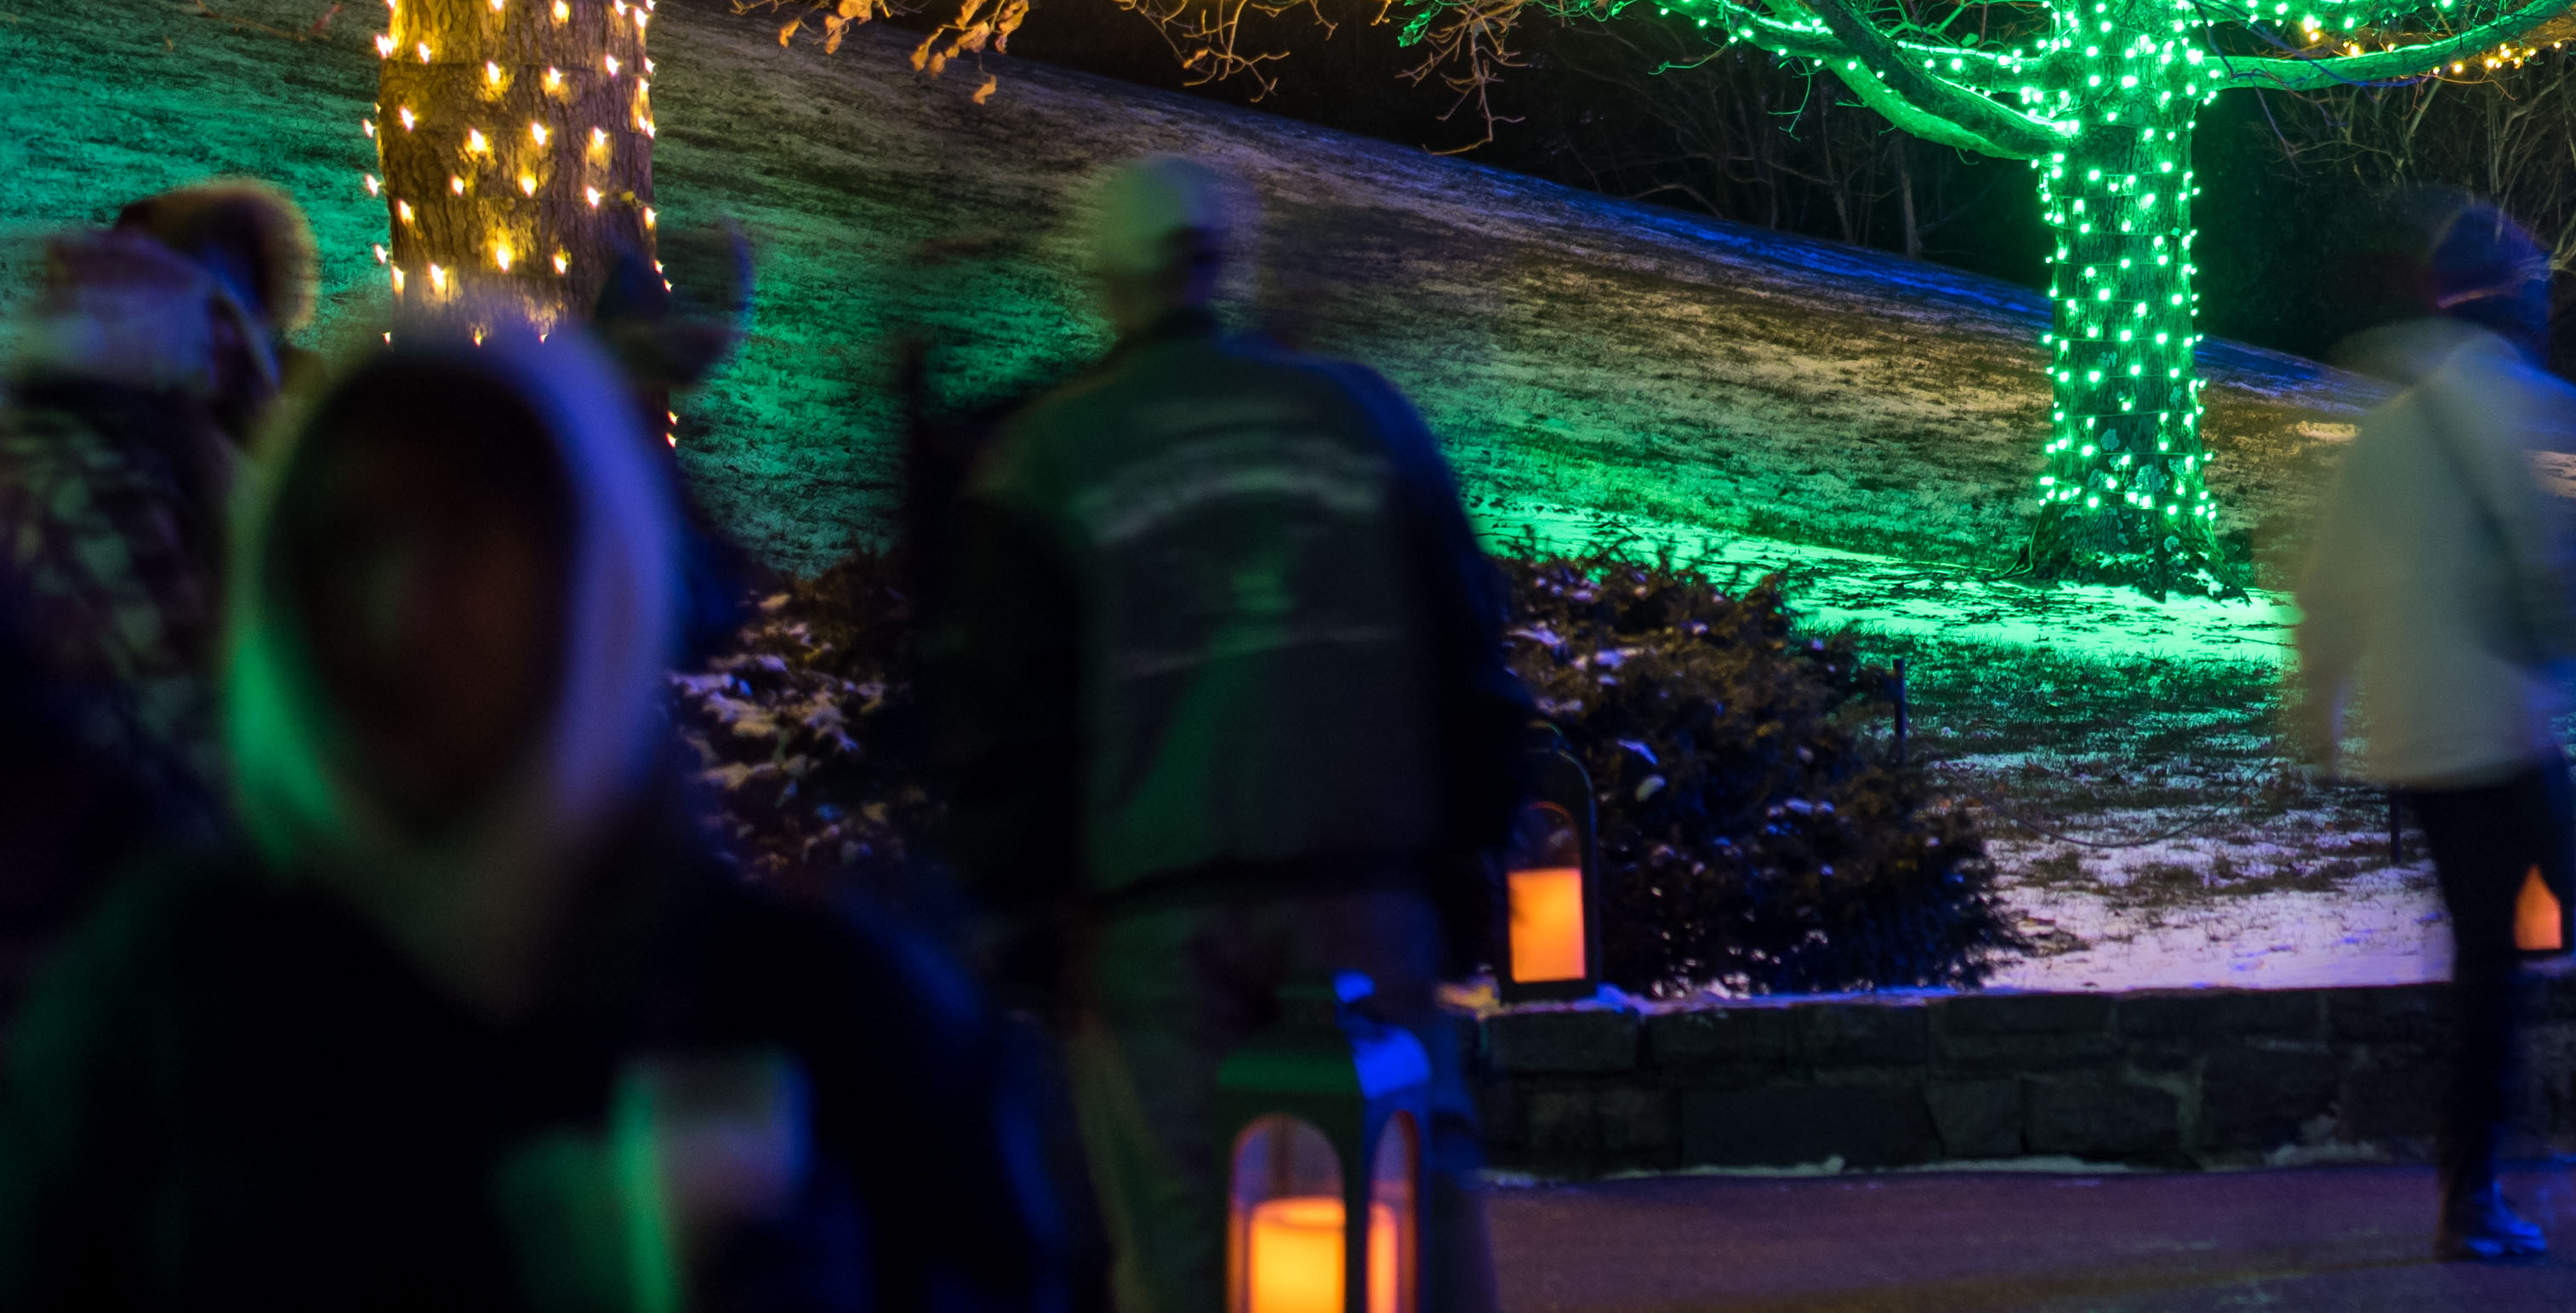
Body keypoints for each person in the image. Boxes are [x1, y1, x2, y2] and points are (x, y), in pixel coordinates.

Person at [0, 306, 1046, 1307]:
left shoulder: (830, 1028)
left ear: (595, 581)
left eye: (467, 532)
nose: (403, 606)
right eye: (349, 542)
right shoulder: (166, 1010)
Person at [936, 160, 1521, 1313]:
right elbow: (1467, 653)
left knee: (1182, 1233)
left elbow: (1008, 715)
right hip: (1367, 889)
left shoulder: (1049, 456)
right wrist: (1469, 860)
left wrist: (1021, 911)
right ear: (1226, 258)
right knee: (1417, 1198)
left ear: (1106, 277)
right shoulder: (1362, 421)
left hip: (1156, 921)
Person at [2280, 195, 2576, 1268]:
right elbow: (2558, 572)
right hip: (2507, 731)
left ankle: (2485, 1168)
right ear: (2517, 305)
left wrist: (2318, 710)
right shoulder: (2544, 410)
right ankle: (2477, 1187)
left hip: (2417, 737)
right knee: (2510, 952)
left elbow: (2329, 589)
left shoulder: (2382, 430)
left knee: (2489, 946)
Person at [0, 216, 284, 1028]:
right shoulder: (101, 484)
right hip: (89, 943)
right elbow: (180, 727)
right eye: (222, 338)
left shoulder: (108, 456)